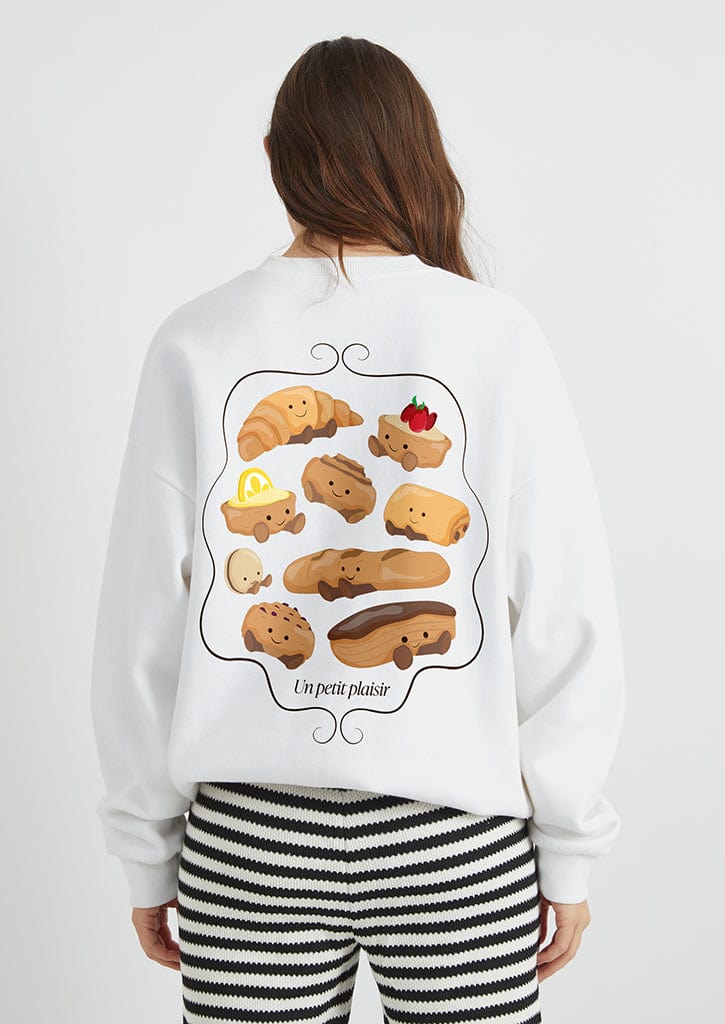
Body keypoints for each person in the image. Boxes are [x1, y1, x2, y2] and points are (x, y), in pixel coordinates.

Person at [91, 35, 625, 1023]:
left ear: (272, 155)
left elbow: (141, 623)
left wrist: (146, 849)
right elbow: (565, 608)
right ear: (417, 152)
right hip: (455, 842)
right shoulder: (495, 334)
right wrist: (568, 844)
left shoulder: (195, 340)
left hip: (247, 845)